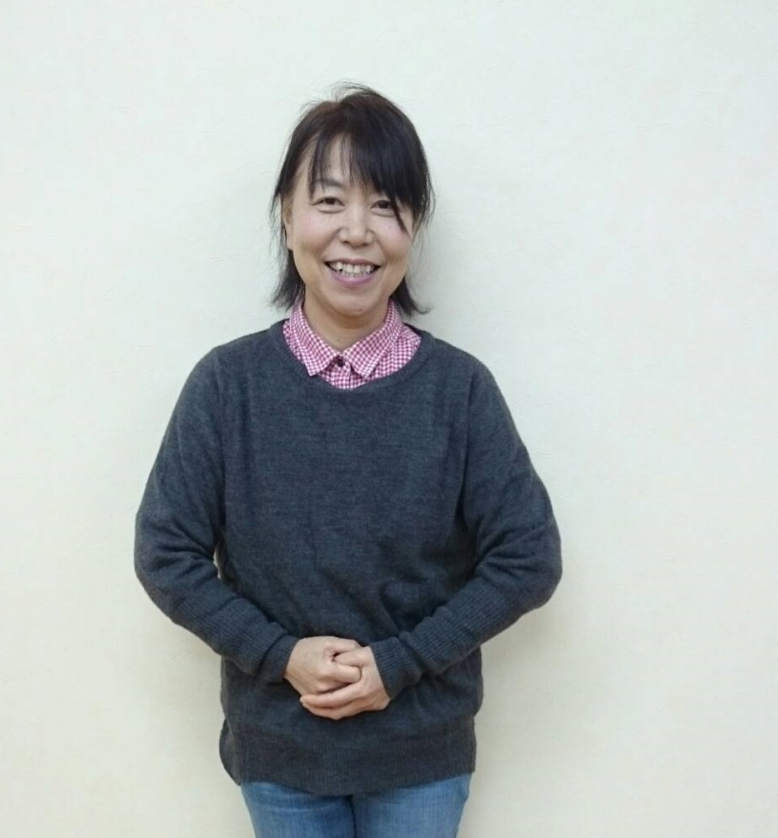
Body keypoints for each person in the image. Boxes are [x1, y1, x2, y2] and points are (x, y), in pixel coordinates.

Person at [135, 84, 561, 838]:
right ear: (287, 216)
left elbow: (529, 558)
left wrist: (401, 663)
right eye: (329, 201)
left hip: (421, 754)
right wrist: (280, 655)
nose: (356, 233)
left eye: (386, 206)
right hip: (281, 751)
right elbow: (166, 553)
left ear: (413, 227)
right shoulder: (227, 386)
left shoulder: (459, 390)